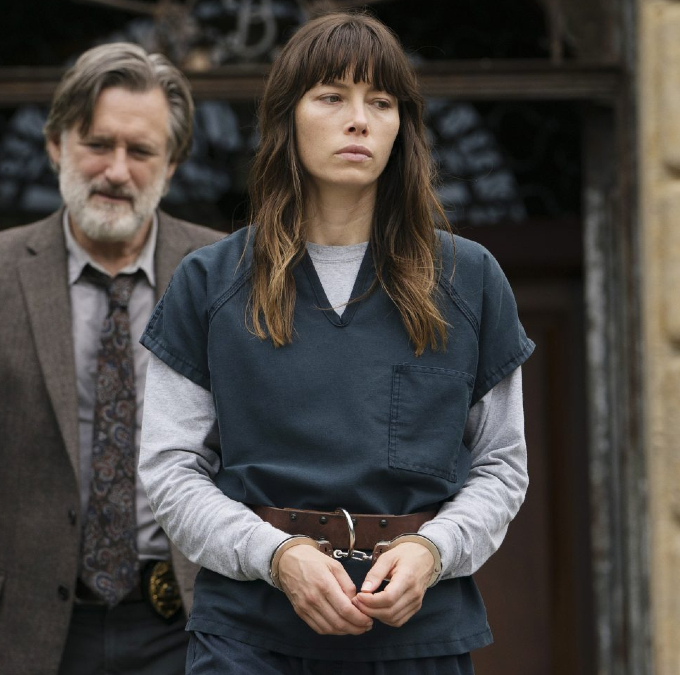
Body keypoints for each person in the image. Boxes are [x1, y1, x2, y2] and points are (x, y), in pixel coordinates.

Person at [138, 12, 533, 675]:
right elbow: (171, 469)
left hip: (418, 636)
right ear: (286, 118)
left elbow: (502, 465)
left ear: (402, 126)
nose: (359, 120)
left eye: (380, 102)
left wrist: (433, 551)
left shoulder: (471, 279)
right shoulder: (209, 282)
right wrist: (276, 555)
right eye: (331, 97)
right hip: (248, 637)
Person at [0, 42, 222, 675]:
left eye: (141, 151)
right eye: (97, 143)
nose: (116, 171)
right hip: (20, 640)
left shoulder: (225, 277)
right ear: (55, 146)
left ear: (172, 166)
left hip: (187, 635)